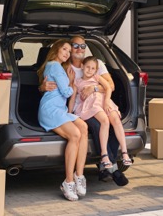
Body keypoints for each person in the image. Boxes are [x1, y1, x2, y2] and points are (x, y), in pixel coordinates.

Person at [40, 35, 129, 186]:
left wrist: (93, 88)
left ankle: (107, 164)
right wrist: (42, 87)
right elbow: (53, 84)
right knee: (96, 124)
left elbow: (111, 85)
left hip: (99, 102)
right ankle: (110, 166)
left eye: (82, 46)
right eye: (74, 46)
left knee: (113, 122)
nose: (78, 49)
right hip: (81, 107)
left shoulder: (96, 63)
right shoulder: (64, 65)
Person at [37, 39, 88, 201]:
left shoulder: (57, 67)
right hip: (51, 109)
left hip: (60, 109)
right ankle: (69, 181)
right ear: (56, 50)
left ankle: (79, 175)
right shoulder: (55, 66)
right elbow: (67, 93)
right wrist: (72, 84)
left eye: (68, 50)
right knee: (75, 135)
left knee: (83, 127)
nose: (67, 53)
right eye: (64, 49)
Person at [70, 56, 133, 169]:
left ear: (96, 70)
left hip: (104, 101)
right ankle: (104, 155)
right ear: (82, 67)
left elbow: (109, 88)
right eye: (88, 67)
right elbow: (73, 98)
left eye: (93, 68)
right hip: (92, 105)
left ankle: (124, 152)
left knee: (116, 121)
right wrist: (69, 113)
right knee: (104, 121)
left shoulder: (97, 77)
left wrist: (107, 101)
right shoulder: (77, 82)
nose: (90, 70)